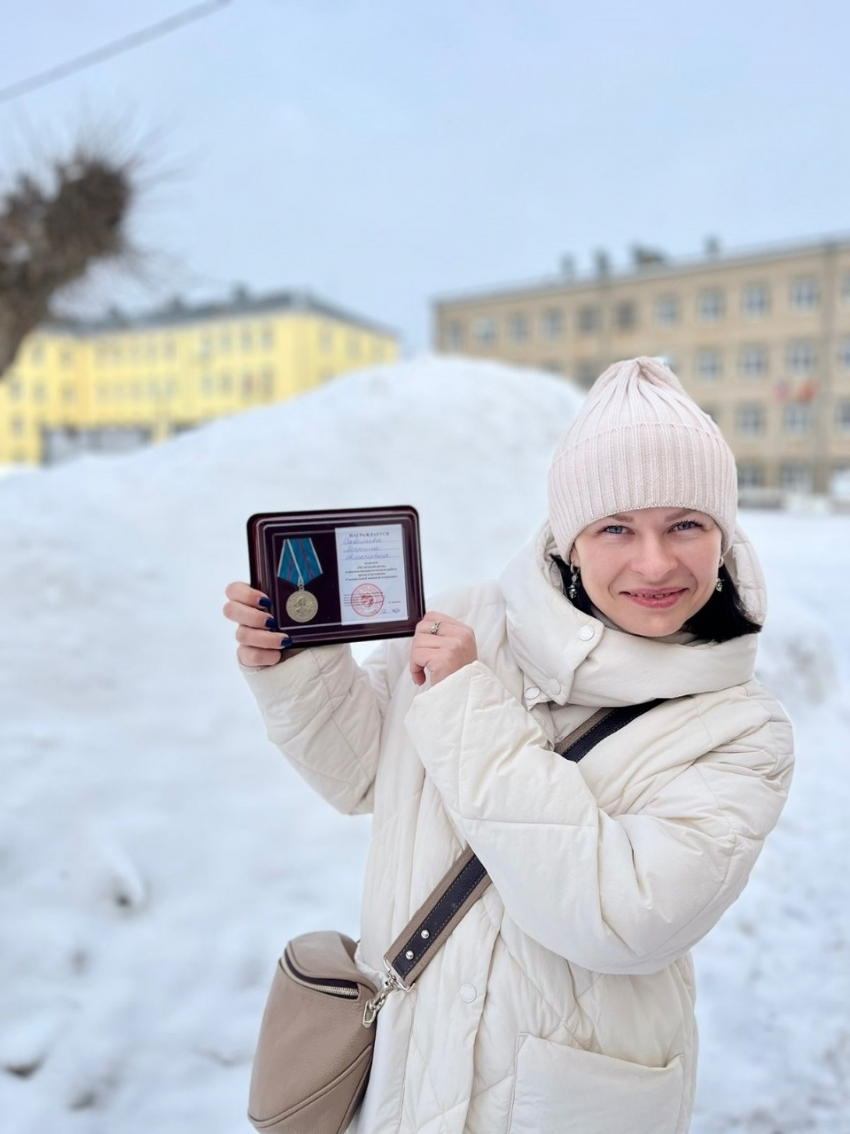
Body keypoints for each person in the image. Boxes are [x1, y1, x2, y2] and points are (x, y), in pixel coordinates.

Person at [223, 357, 794, 1134]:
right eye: (617, 527)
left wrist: (467, 708)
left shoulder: (740, 728)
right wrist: (297, 666)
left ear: (721, 536)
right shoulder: (469, 624)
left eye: (685, 525)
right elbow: (362, 779)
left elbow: (623, 915)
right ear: (569, 539)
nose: (654, 562)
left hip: (567, 1104)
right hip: (414, 1069)